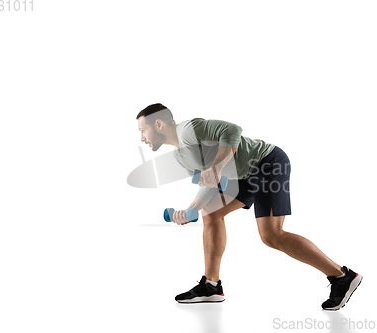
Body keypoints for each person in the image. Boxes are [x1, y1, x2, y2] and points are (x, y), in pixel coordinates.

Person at [136, 103, 362, 310]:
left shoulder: (189, 130)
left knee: (272, 236)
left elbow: (233, 130)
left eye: (143, 130)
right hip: (242, 176)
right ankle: (211, 286)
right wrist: (189, 210)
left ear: (159, 124)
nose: (142, 137)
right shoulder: (181, 157)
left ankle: (342, 277)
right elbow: (209, 184)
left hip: (266, 162)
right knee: (210, 214)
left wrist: (218, 165)